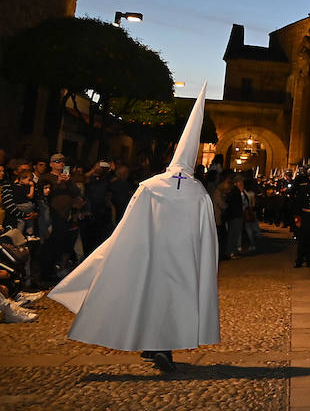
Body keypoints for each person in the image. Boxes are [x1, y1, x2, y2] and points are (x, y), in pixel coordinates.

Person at [47, 86, 219, 373]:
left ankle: (156, 346)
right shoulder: (198, 191)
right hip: (182, 258)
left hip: (150, 255)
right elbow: (207, 234)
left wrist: (121, 247)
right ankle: (159, 347)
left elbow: (129, 222)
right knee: (171, 301)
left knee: (146, 296)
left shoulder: (150, 186)